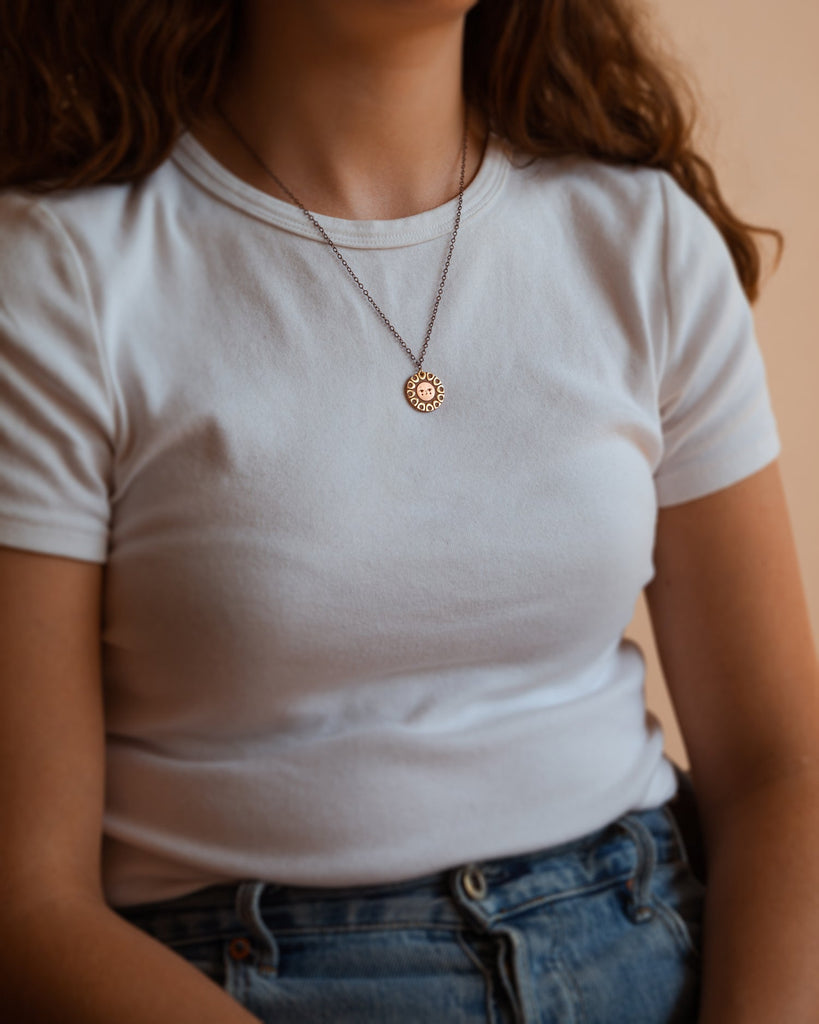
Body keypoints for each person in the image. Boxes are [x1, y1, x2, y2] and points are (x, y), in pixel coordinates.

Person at [1, 1, 818, 1021]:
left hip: (648, 942)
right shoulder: (60, 279)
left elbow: (782, 773)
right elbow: (29, 903)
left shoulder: (645, 243)